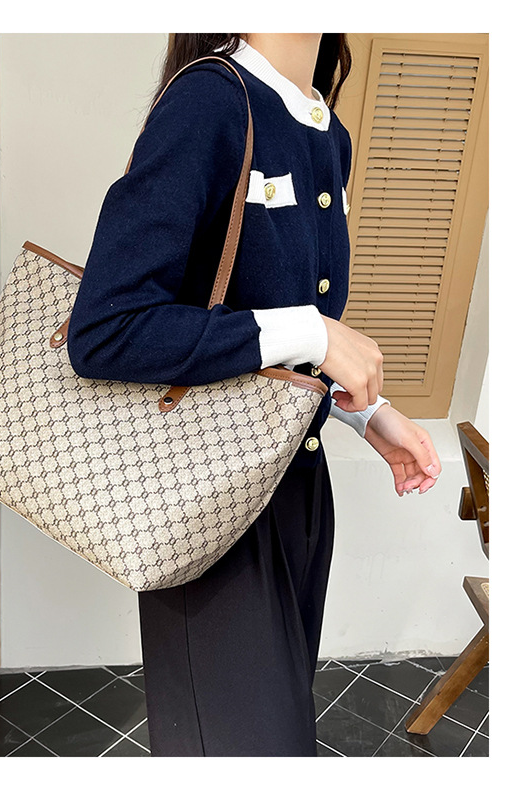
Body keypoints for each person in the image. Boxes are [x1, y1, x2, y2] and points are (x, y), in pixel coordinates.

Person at [66, 33, 442, 757]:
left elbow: (279, 334)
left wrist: (366, 414)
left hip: (299, 495)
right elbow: (107, 330)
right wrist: (312, 331)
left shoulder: (327, 132)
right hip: (210, 510)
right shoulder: (209, 102)